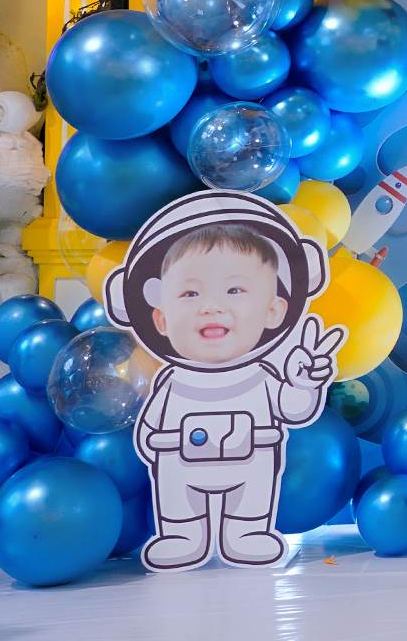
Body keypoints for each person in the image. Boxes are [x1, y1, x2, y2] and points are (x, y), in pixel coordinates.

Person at [102, 192, 342, 573]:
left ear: (273, 311)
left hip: (251, 463)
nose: (211, 306)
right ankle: (182, 533)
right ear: (161, 319)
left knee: (253, 494)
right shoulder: (171, 383)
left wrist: (301, 383)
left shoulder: (261, 377)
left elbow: (293, 409)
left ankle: (247, 531)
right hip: (182, 465)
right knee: (177, 494)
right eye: (190, 293)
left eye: (234, 290)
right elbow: (149, 435)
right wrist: (157, 439)